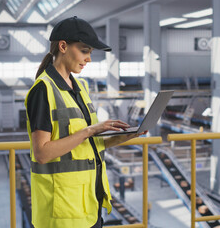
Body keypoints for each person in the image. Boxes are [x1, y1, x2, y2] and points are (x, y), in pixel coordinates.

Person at [25, 16, 147, 228]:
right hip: (61, 213)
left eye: (90, 52)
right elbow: (42, 153)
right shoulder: (43, 90)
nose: (89, 58)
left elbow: (87, 146)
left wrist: (124, 137)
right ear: (63, 46)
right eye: (84, 50)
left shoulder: (79, 87)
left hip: (88, 207)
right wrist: (89, 130)